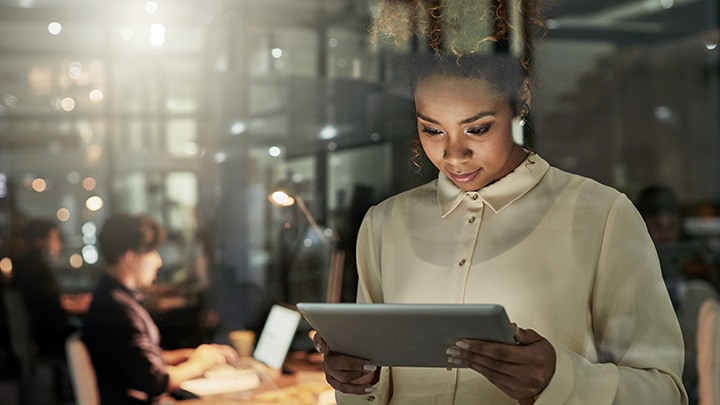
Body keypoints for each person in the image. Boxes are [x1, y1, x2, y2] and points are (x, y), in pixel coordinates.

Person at [311, 0, 687, 404]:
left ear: (520, 98)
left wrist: (560, 380)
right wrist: (356, 382)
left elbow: (663, 392)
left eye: (477, 128)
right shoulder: (384, 223)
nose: (454, 154)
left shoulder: (601, 216)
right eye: (432, 130)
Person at [82, 213, 237, 405]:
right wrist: (200, 364)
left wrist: (188, 355)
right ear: (130, 257)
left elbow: (136, 360)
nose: (159, 261)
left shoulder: (115, 298)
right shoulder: (116, 309)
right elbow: (155, 382)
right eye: (152, 252)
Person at [10, 218, 75, 359]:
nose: (59, 244)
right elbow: (52, 303)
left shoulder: (26, 264)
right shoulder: (35, 266)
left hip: (39, 332)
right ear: (40, 241)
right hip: (48, 334)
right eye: (55, 238)